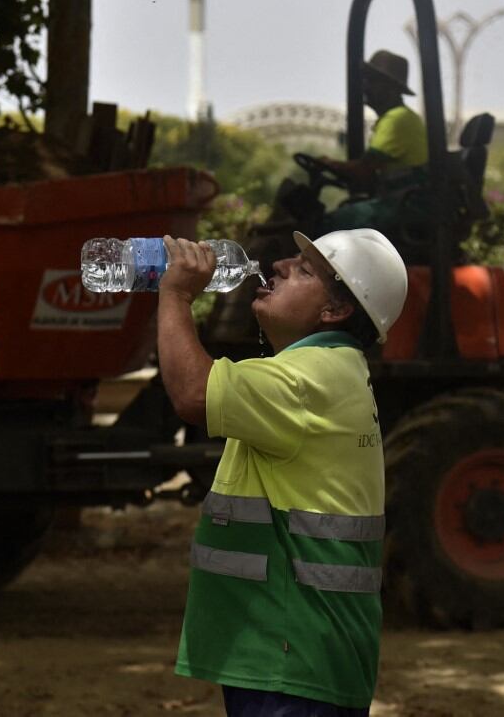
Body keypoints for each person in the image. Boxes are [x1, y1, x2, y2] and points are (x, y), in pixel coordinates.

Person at [157, 228, 408, 716]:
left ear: (335, 312)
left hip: (293, 654)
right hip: (296, 648)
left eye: (304, 269)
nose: (279, 267)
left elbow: (191, 392)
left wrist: (176, 293)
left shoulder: (308, 378)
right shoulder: (329, 370)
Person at [320, 49, 427, 193]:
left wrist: (329, 164)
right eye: (366, 80)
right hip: (398, 199)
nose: (365, 87)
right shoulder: (400, 118)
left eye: (372, 81)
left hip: (402, 205)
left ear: (392, 89)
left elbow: (364, 169)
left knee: (341, 216)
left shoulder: (397, 120)